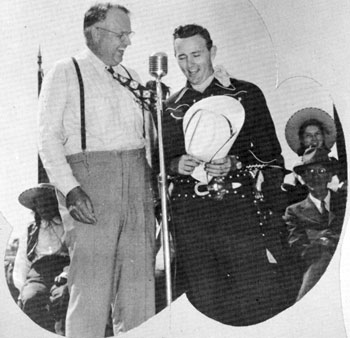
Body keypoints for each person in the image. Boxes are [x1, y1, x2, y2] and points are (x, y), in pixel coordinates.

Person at [162, 24, 299, 326]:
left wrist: (235, 163)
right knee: (203, 299)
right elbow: (158, 166)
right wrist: (174, 165)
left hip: (237, 211)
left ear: (212, 51)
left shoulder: (245, 93)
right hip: (190, 218)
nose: (190, 64)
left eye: (196, 54)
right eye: (181, 57)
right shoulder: (170, 107)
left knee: (252, 296)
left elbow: (272, 154)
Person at [37, 3, 156, 337]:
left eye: (128, 34)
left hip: (137, 180)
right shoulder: (65, 70)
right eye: (121, 34)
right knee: (90, 288)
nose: (127, 42)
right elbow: (47, 139)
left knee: (139, 289)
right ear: (94, 33)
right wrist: (71, 189)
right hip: (91, 183)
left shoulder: (131, 76)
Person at [283, 147, 346, 301]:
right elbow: (298, 248)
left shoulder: (345, 202)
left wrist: (325, 239)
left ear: (330, 176)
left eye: (322, 171)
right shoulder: (294, 211)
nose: (316, 177)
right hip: (317, 267)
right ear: (303, 179)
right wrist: (324, 243)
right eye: (310, 173)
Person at [12, 184, 70, 335]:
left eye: (47, 203)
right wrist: (22, 288)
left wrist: (68, 273)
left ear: (55, 203)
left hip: (64, 269)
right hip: (39, 272)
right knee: (31, 298)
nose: (43, 208)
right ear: (34, 207)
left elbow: (77, 253)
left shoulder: (68, 225)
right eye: (38, 204)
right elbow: (22, 261)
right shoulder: (31, 229)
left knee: (64, 295)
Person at [283, 107, 342, 204]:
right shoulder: (294, 173)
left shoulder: (337, 165)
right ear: (302, 140)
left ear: (323, 137)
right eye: (308, 135)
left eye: (317, 134)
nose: (314, 139)